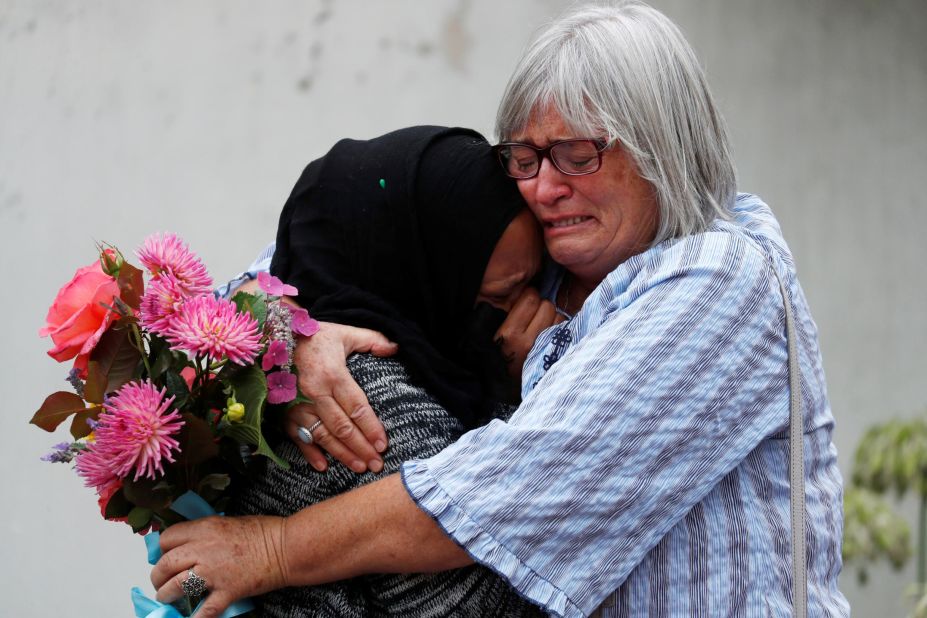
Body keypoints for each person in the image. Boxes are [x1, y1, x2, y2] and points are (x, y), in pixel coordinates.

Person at [152, 3, 849, 616]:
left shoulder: (717, 279)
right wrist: (295, 334)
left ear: (660, 148)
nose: (543, 187)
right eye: (524, 155)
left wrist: (271, 549)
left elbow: (513, 490)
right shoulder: (552, 252)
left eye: (576, 154)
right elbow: (280, 266)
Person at [230, 125, 549, 616]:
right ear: (424, 270)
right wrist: (528, 394)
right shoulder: (363, 398)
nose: (529, 309)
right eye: (496, 296)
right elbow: (474, 606)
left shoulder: (274, 350)